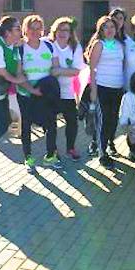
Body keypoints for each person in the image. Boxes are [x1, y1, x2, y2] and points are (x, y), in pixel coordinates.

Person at [17, 15, 62, 172]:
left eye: (38, 28)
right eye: (32, 28)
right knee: (26, 125)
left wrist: (45, 86)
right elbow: (19, 75)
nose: (35, 31)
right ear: (25, 30)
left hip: (45, 92)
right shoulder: (21, 48)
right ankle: (28, 157)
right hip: (27, 93)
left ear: (43, 30)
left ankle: (51, 156)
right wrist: (32, 89)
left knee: (51, 124)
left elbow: (55, 69)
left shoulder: (49, 46)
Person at [85, 15, 126, 168]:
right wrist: (93, 90)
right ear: (100, 30)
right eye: (105, 27)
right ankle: (102, 154)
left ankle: (108, 145)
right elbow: (92, 68)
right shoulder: (99, 44)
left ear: (116, 29)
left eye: (112, 27)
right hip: (102, 88)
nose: (109, 30)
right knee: (103, 121)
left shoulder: (119, 45)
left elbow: (122, 66)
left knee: (113, 120)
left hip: (117, 89)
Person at [48, 17, 85, 162]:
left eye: (66, 30)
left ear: (71, 33)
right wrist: (64, 70)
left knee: (72, 122)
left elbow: (76, 71)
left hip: (69, 93)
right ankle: (53, 149)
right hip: (52, 92)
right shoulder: (49, 44)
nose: (62, 33)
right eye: (60, 30)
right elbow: (49, 70)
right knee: (51, 123)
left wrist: (58, 71)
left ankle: (71, 148)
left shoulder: (75, 47)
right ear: (54, 31)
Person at [0, 16, 26, 143]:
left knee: (5, 122)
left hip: (1, 93)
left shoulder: (13, 46)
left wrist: (20, 77)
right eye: (17, 28)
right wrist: (17, 80)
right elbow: (0, 70)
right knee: (2, 123)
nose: (21, 31)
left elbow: (18, 66)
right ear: (8, 32)